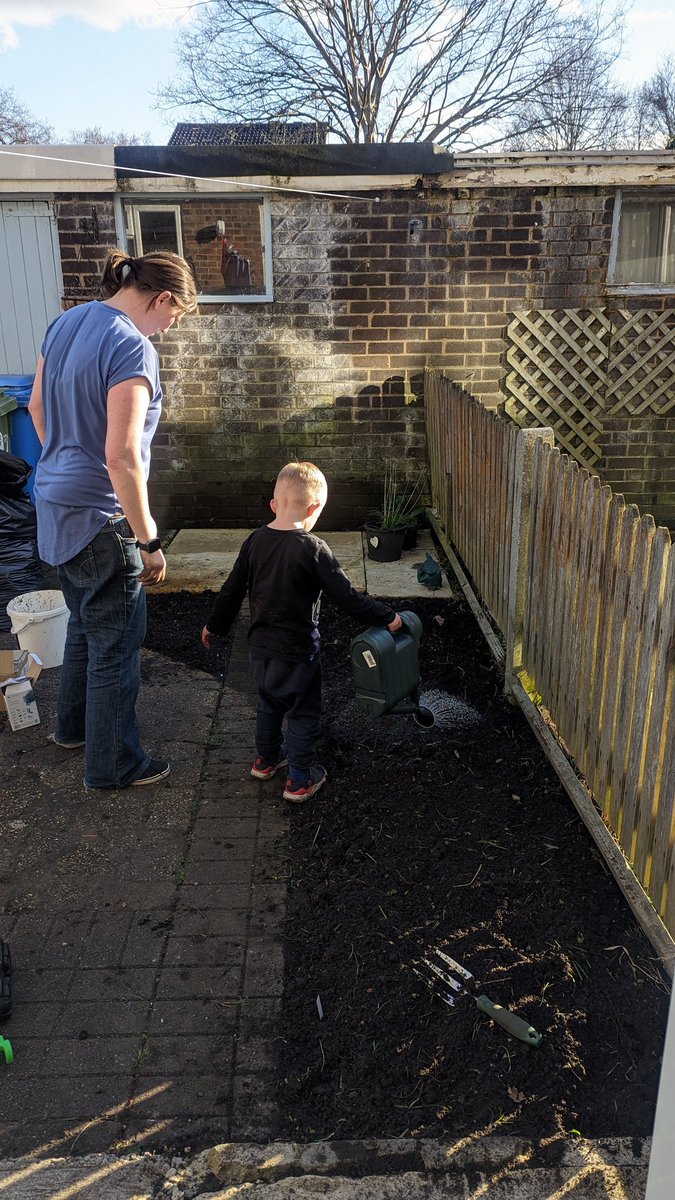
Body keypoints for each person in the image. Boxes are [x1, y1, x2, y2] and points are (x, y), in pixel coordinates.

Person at [28, 248, 198, 789]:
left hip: (54, 500)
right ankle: (114, 764)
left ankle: (72, 730)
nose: (168, 331)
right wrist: (148, 539)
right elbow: (121, 457)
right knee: (117, 647)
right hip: (102, 517)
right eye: (173, 318)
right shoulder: (131, 345)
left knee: (84, 624)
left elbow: (36, 407)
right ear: (163, 298)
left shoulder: (66, 322)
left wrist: (63, 458)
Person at [202, 461, 403, 802]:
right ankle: (299, 779)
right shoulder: (312, 548)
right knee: (303, 713)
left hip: (260, 649)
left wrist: (214, 625)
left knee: (268, 705)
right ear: (314, 508)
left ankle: (265, 761)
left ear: (273, 505)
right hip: (297, 653)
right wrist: (387, 617)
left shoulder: (254, 541)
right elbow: (347, 597)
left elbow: (231, 589)